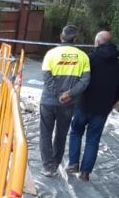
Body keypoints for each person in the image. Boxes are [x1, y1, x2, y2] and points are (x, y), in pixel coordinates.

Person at [67, 31, 119, 181]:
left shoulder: (90, 58)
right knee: (93, 139)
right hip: (102, 108)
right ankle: (85, 172)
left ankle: (74, 163)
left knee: (76, 132)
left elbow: (80, 79)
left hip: (83, 103)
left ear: (98, 42)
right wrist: (111, 102)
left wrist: (72, 95)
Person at [39, 25, 90, 177]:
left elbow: (47, 78)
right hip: (68, 103)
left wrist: (58, 93)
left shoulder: (51, 54)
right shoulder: (82, 57)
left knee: (45, 134)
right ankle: (55, 164)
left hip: (48, 101)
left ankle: (48, 167)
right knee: (61, 134)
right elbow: (85, 80)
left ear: (61, 37)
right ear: (75, 39)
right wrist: (69, 94)